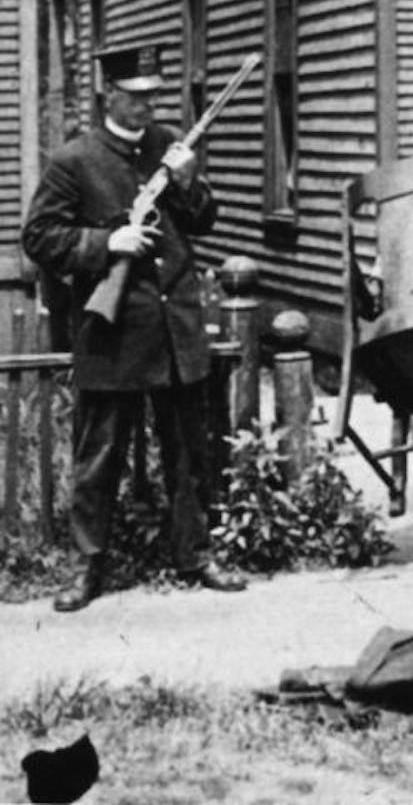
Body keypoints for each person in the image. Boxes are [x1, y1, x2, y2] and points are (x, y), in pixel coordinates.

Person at [21, 45, 246, 612]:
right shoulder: (74, 161)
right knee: (99, 455)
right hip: (115, 329)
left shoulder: (172, 146)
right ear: (108, 95)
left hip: (173, 326)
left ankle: (194, 555)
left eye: (152, 95)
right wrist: (106, 243)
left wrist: (188, 181)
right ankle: (89, 566)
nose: (146, 106)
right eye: (135, 96)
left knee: (188, 454)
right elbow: (40, 237)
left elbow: (201, 219)